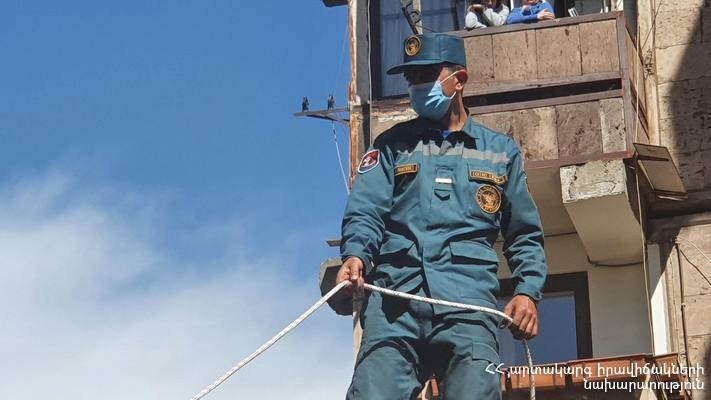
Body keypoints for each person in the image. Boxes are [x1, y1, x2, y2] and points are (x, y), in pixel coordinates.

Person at [336, 32, 548, 399]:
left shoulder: (501, 153)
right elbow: (366, 209)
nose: (416, 87)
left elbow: (524, 233)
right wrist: (355, 254)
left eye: (426, 76)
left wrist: (527, 291)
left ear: (459, 80)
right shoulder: (391, 146)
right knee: (371, 391)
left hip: (468, 307)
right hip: (395, 304)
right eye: (411, 78)